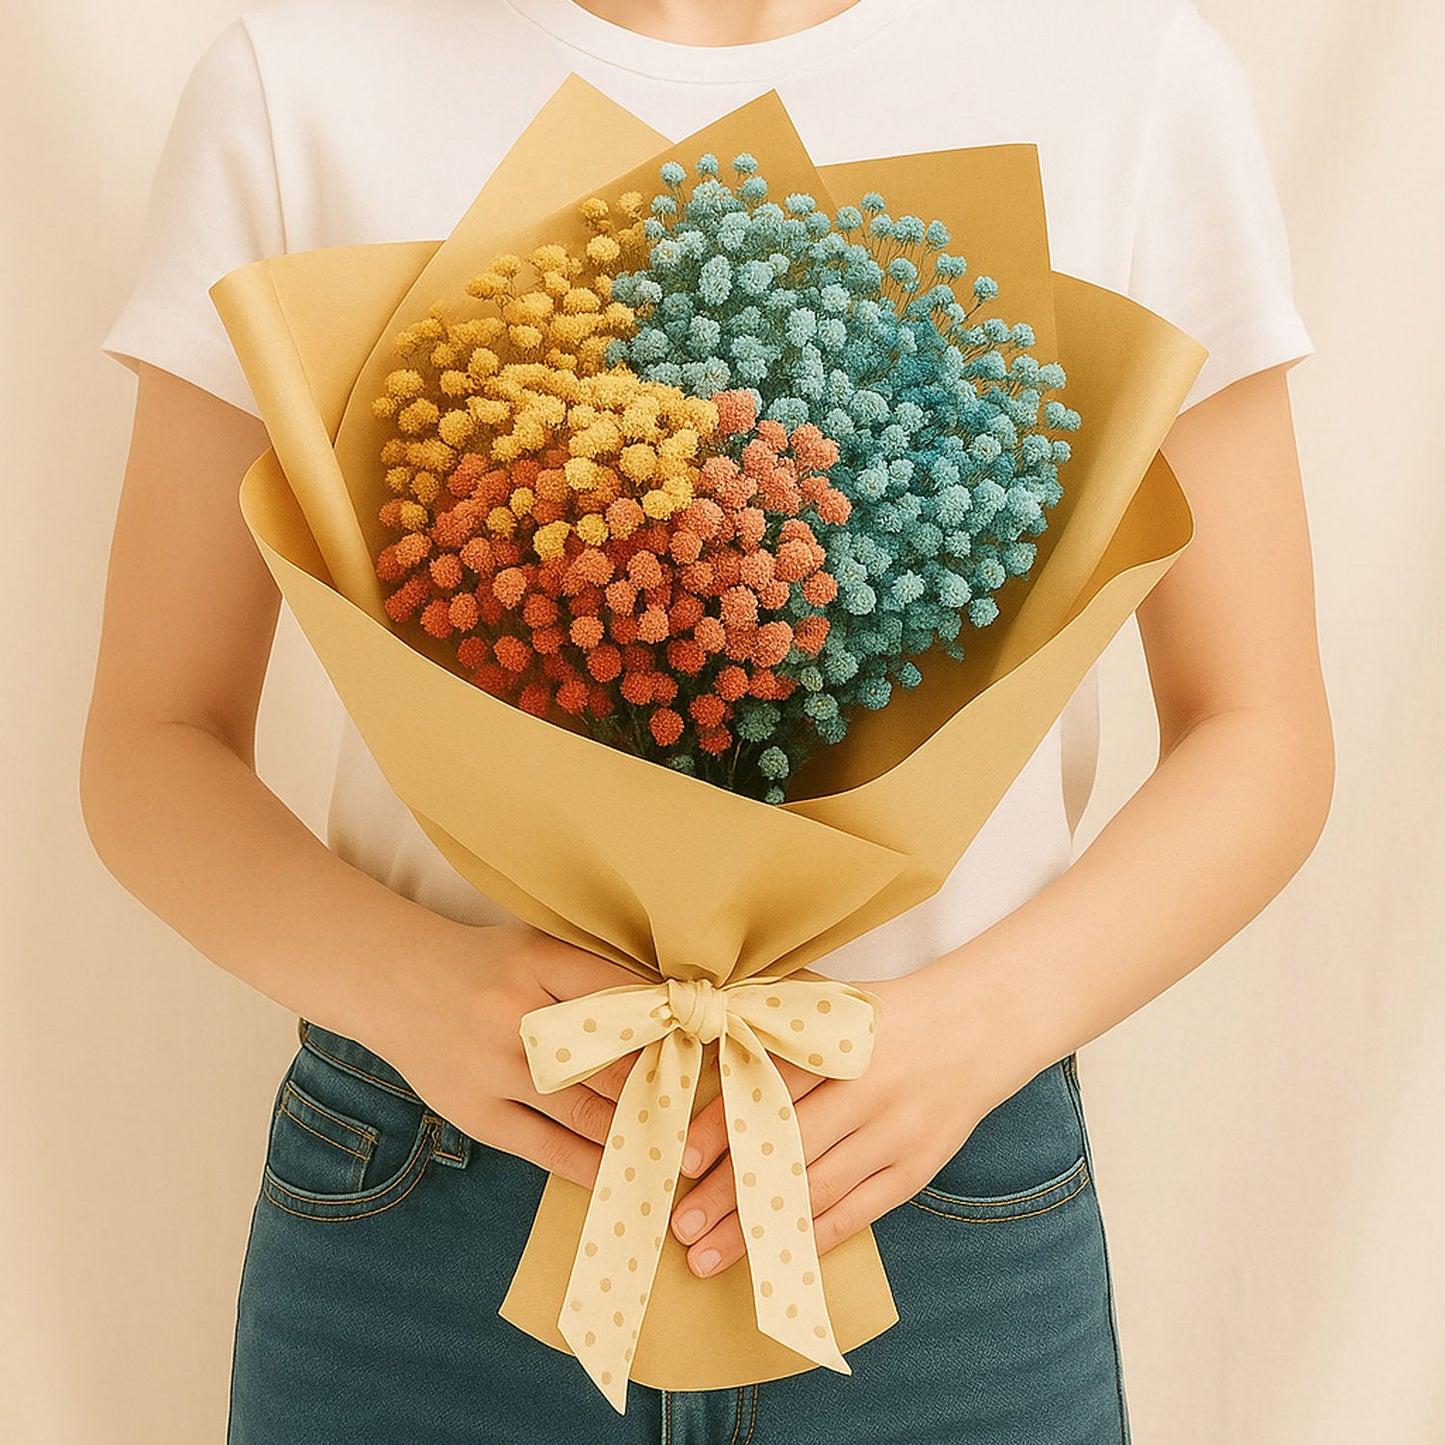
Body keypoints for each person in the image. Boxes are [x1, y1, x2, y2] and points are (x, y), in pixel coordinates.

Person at [82, 0, 1334, 1440]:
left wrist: (969, 1036)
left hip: (930, 1183)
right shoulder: (295, 87)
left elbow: (1259, 730)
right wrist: (416, 990)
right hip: (436, 1197)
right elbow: (152, 741)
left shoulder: (1129, 79)